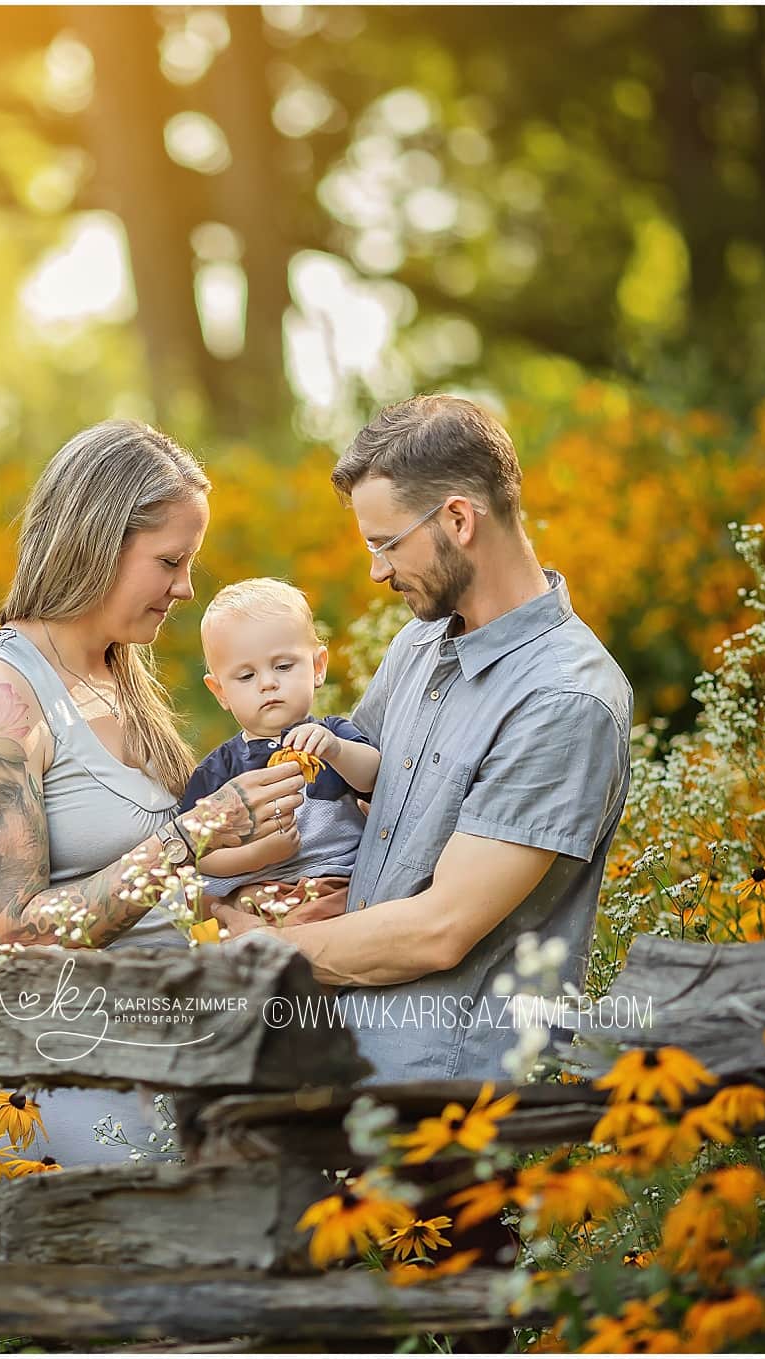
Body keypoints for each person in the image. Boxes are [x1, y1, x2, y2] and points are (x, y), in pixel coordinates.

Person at [0, 419, 331, 1166]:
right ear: (96, 541)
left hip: (166, 1068)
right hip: (63, 1087)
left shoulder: (121, 675)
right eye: (170, 560)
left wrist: (261, 893)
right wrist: (197, 831)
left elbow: (161, 891)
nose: (185, 586)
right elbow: (18, 934)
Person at [217, 395, 633, 1085]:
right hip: (341, 1064)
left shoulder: (563, 698)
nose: (377, 570)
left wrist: (266, 951)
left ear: (459, 520)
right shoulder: (418, 646)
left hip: (451, 1098)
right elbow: (343, 810)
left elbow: (442, 929)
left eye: (385, 543)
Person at [179, 577, 380, 906]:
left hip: (336, 880)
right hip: (259, 893)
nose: (268, 683)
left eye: (284, 666)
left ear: (318, 667)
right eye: (246, 676)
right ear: (220, 692)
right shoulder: (219, 770)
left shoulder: (330, 735)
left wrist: (335, 750)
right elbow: (200, 852)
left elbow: (374, 778)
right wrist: (257, 855)